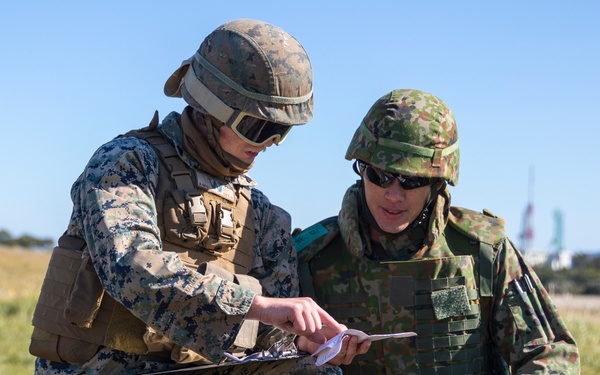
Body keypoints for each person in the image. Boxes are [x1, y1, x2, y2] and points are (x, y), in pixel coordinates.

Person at [30, 19, 360, 375]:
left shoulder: (260, 212)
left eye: (282, 131)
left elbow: (266, 340)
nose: (270, 143)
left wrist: (301, 343)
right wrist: (258, 305)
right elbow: (133, 270)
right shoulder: (128, 163)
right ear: (212, 107)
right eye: (258, 127)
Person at [294, 89, 580, 374]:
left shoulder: (483, 250)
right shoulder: (311, 257)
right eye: (378, 175)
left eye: (411, 180)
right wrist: (300, 346)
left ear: (437, 182)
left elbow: (550, 353)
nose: (393, 195)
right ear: (361, 169)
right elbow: (262, 351)